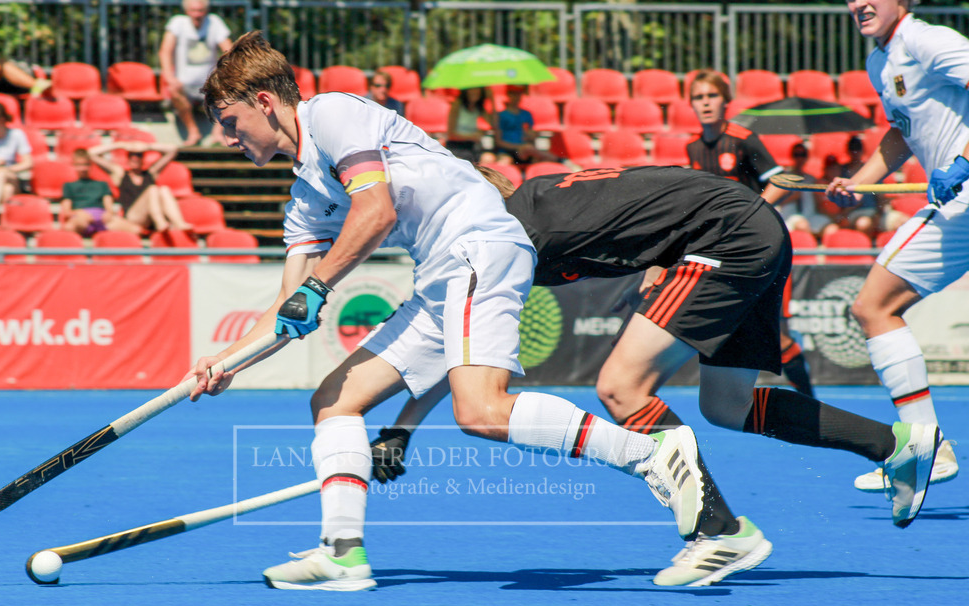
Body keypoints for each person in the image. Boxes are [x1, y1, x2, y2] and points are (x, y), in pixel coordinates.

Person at [189, 31, 730, 592]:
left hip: (478, 246)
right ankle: (341, 554)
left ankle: (651, 455)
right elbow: (288, 305)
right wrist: (227, 362)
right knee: (333, 401)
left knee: (481, 411)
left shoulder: (331, 114)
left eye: (229, 122)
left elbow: (375, 213)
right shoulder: (305, 198)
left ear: (264, 102)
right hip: (439, 275)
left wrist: (318, 287)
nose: (226, 139)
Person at [368, 165, 941, 582]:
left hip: (726, 238)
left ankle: (719, 532)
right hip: (753, 226)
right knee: (729, 405)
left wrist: (401, 428)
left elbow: (471, 352)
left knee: (622, 387)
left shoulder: (506, 237)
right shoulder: (535, 200)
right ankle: (895, 444)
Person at [826, 0, 962, 491]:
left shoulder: (927, 41)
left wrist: (964, 162)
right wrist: (860, 181)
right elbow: (902, 133)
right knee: (875, 307)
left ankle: (927, 447)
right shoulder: (879, 62)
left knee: (873, 306)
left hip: (964, 201)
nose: (858, 3)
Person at [687, 70, 815, 397]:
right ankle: (731, 399)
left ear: (726, 101)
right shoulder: (693, 148)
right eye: (699, 97)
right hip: (719, 250)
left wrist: (749, 215)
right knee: (724, 326)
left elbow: (784, 182)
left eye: (712, 96)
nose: (705, 103)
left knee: (777, 335)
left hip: (757, 246)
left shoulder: (743, 139)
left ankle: (808, 399)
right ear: (691, 104)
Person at [159, 0, 233, 146]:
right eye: (193, 10)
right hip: (184, 85)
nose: (197, 14)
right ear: (187, 11)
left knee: (233, 90)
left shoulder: (214, 22)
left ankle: (217, 133)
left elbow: (229, 51)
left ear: (206, 11)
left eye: (200, 10)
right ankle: (193, 132)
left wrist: (226, 74)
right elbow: (165, 52)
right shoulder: (177, 23)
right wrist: (169, 77)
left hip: (210, 85)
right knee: (173, 90)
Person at [87, 140, 191, 233]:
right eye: (132, 155)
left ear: (142, 159)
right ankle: (160, 223)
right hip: (133, 217)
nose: (135, 158)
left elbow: (173, 149)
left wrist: (147, 147)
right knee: (152, 189)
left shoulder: (151, 173)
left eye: (138, 155)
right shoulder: (121, 174)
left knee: (164, 189)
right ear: (128, 159)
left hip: (149, 219)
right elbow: (91, 153)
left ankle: (179, 223)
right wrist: (120, 145)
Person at [60, 148, 141, 236]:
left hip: (102, 219)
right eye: (79, 165)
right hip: (81, 218)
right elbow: (67, 212)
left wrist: (108, 214)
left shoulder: (102, 184)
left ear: (90, 165)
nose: (83, 168)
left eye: (86, 164)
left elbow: (109, 208)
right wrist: (82, 214)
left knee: (136, 230)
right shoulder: (69, 186)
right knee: (69, 227)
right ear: (74, 165)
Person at [493, 85, 558, 166]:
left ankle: (558, 161)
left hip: (526, 151)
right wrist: (519, 146)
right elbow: (498, 142)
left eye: (518, 94)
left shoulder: (527, 114)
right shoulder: (501, 115)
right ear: (508, 95)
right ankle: (560, 160)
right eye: (513, 94)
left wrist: (532, 136)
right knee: (503, 162)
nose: (516, 97)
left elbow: (531, 136)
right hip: (507, 150)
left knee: (542, 161)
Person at [445, 86, 492, 163]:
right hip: (456, 146)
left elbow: (492, 123)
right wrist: (472, 137)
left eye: (477, 89)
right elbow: (451, 134)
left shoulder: (478, 107)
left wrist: (491, 100)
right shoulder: (457, 105)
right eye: (472, 89)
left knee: (488, 158)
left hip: (471, 146)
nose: (475, 92)